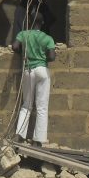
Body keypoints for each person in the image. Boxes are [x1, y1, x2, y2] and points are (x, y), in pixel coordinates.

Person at [12, 12, 56, 146]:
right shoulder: (47, 38)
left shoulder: (23, 34)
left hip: (28, 70)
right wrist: (43, 57)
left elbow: (14, 46)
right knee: (42, 107)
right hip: (42, 71)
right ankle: (38, 140)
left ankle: (19, 136)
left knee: (26, 105)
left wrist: (25, 55)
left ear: (29, 21)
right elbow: (52, 57)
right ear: (42, 23)